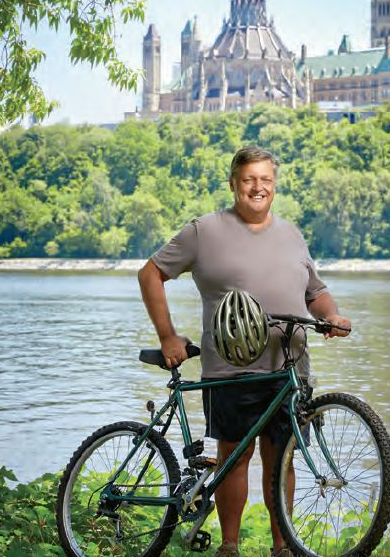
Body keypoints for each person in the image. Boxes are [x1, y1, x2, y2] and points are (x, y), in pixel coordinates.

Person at [138, 145, 351, 557]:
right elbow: (150, 273)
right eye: (249, 179)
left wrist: (333, 316)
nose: (258, 187)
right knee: (234, 458)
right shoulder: (204, 230)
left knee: (282, 461)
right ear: (234, 183)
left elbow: (316, 292)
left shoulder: (291, 234)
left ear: (275, 185)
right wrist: (168, 336)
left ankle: (283, 548)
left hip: (289, 366)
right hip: (231, 368)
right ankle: (229, 547)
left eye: (266, 180)